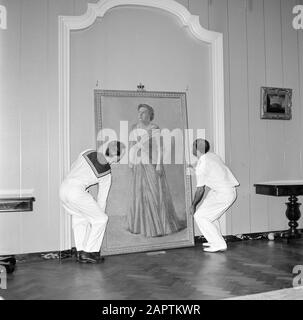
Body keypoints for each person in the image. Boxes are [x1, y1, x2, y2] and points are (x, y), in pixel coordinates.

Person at [60, 141, 126, 263]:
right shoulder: (106, 172)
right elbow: (102, 199)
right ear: (116, 155)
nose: (117, 161)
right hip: (77, 192)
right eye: (119, 157)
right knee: (101, 219)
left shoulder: (87, 152)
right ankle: (90, 252)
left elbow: (74, 167)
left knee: (79, 217)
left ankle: (80, 251)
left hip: (63, 188)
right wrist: (98, 214)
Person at [127, 104, 182, 237]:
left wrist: (159, 164)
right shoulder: (134, 128)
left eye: (144, 112)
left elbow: (160, 148)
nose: (140, 115)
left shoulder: (154, 128)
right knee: (139, 193)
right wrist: (130, 161)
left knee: (154, 192)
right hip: (138, 163)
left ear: (150, 114)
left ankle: (157, 226)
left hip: (151, 162)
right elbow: (131, 146)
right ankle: (141, 225)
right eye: (139, 112)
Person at [190, 139, 239, 252]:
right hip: (225, 191)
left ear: (196, 149)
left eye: (193, 146)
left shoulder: (202, 165)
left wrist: (193, 205)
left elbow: (200, 190)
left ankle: (219, 244)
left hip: (223, 194)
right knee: (210, 217)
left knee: (200, 216)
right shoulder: (212, 156)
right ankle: (215, 241)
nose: (191, 148)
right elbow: (213, 169)